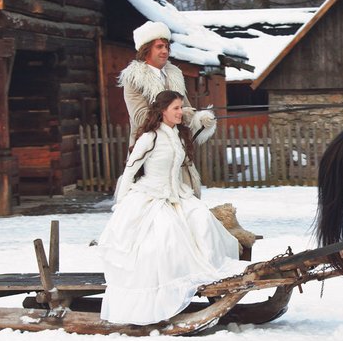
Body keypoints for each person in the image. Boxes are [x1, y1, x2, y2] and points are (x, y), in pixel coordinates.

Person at [98, 90, 245, 325]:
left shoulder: (177, 134)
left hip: (178, 195)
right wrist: (122, 204)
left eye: (180, 107)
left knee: (202, 218)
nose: (181, 112)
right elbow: (130, 170)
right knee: (166, 235)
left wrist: (204, 123)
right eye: (176, 108)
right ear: (163, 110)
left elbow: (194, 137)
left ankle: (212, 276)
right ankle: (164, 294)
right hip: (151, 196)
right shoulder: (150, 137)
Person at [118, 21, 215, 198]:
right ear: (146, 49)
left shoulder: (174, 74)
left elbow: (184, 109)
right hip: (151, 151)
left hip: (177, 148)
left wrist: (199, 119)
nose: (165, 51)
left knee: (185, 204)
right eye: (159, 47)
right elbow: (141, 118)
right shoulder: (133, 78)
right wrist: (176, 113)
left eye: (167, 46)